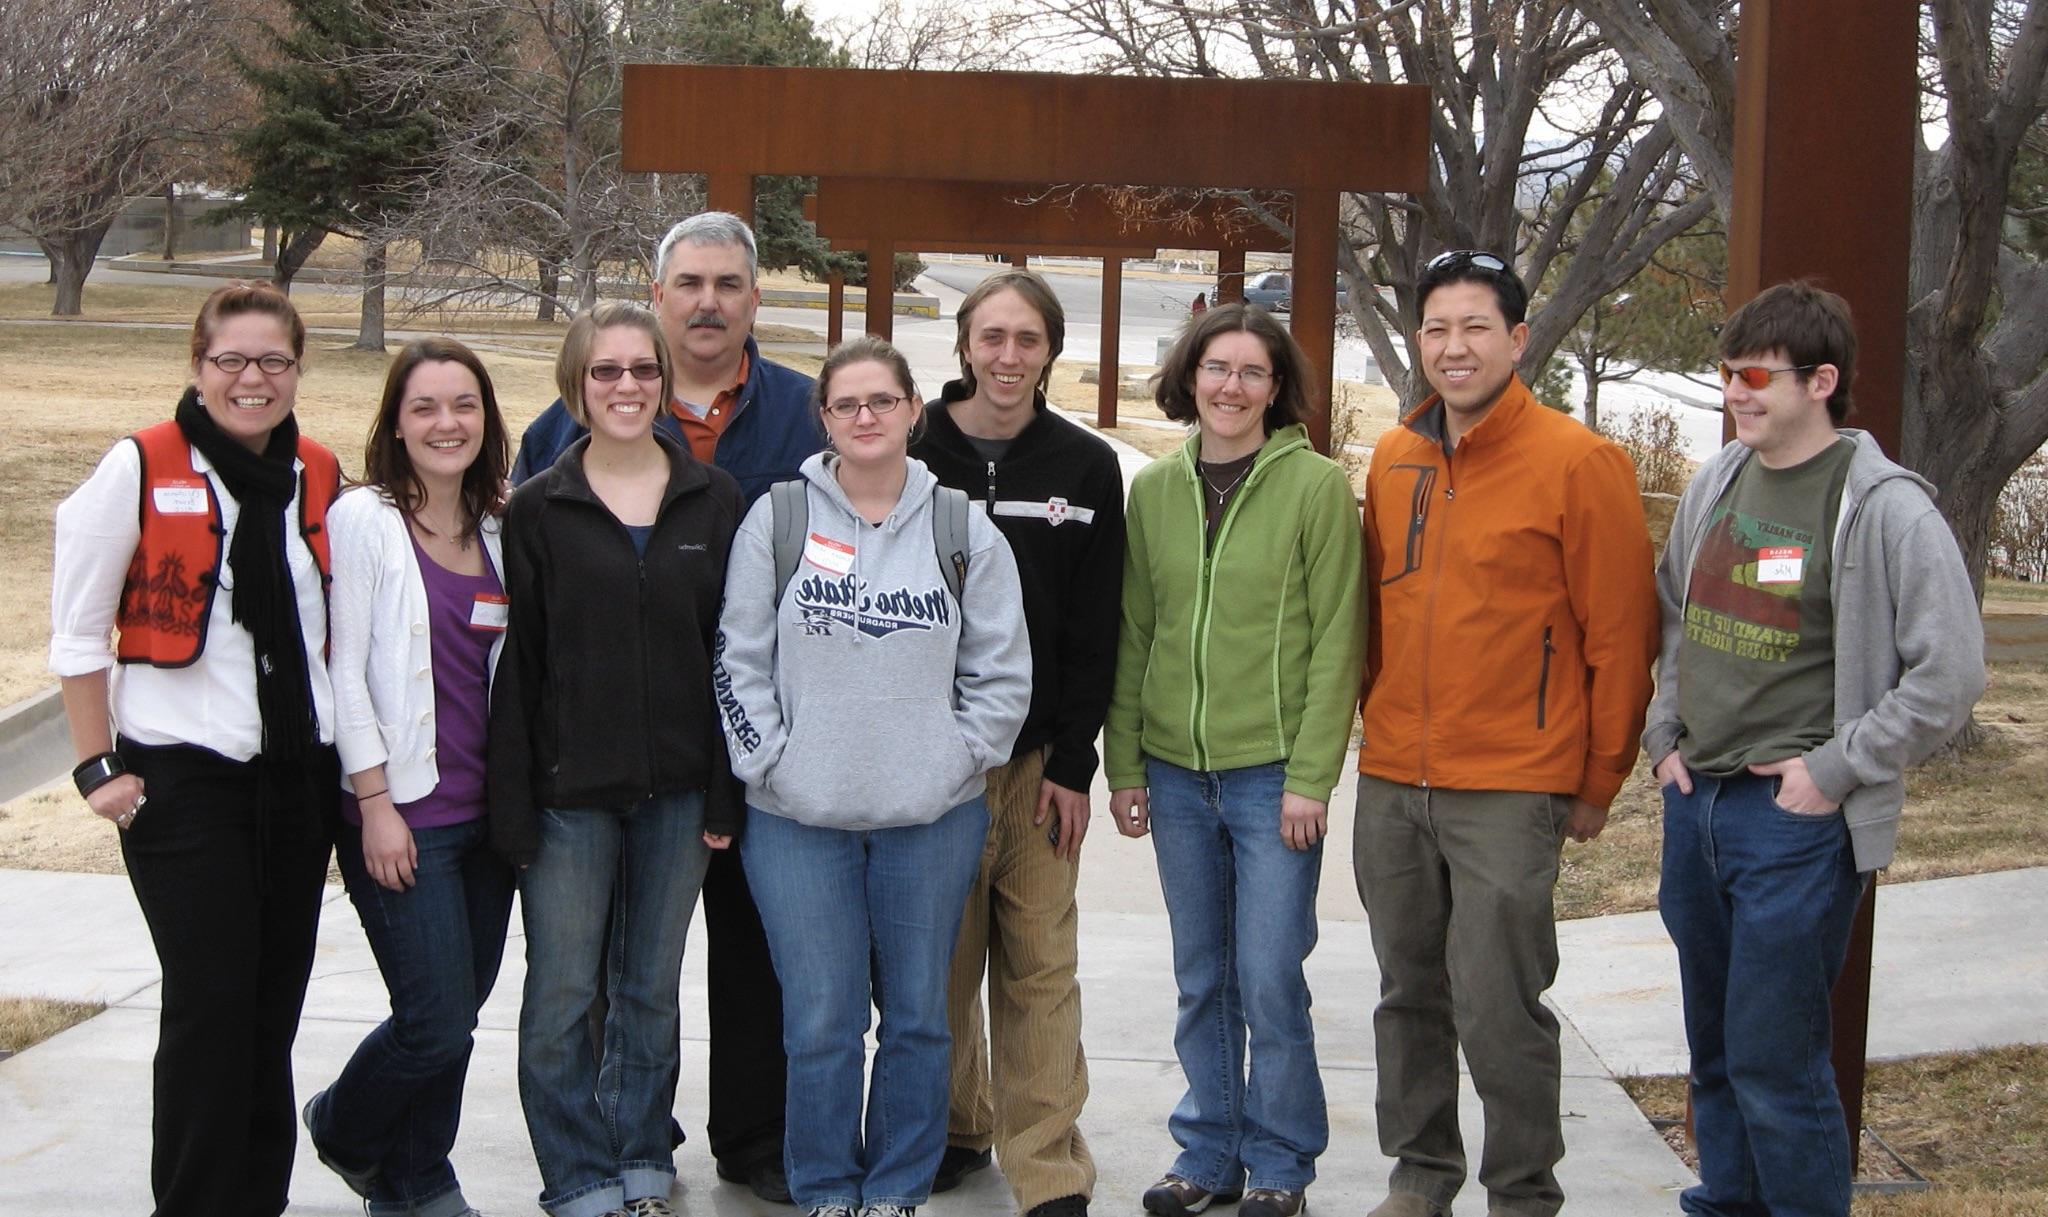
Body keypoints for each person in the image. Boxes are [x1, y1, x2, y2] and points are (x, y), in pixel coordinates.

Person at [1645, 282, 1984, 1217]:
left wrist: (1832, 770)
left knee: (1776, 1061)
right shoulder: (1718, 482)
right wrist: (1662, 734)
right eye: (1726, 374)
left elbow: (1950, 671)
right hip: (1697, 803)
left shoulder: (1885, 508)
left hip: (1793, 824)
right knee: (1713, 1048)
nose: (1735, 394)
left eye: (1755, 375)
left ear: (1821, 381)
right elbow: (1678, 612)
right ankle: (1728, 1200)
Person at [512, 211, 816, 1201]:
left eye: (728, 284)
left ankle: (722, 1139)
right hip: (580, 770)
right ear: (656, 296)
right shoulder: (550, 453)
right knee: (576, 979)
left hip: (727, 762)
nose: (708, 300)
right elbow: (520, 642)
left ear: (754, 298)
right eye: (688, 282)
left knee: (721, 962)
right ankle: (587, 1157)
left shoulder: (794, 423)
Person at [1354, 250, 1660, 1217]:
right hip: (1397, 776)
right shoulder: (1395, 457)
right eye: (1437, 328)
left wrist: (1599, 778)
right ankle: (1420, 1176)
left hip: (1513, 784)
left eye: (1476, 327)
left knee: (1499, 1003)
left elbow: (1622, 636)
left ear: (1517, 340)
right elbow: (1374, 617)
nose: (1455, 347)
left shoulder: (1582, 463)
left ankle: (1523, 1190)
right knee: (1408, 996)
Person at [713, 335, 1033, 1217]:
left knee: (920, 1021)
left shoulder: (960, 527)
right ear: (824, 418)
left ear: (911, 413)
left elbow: (1001, 669)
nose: (865, 417)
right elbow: (738, 657)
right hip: (795, 819)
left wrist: (954, 758)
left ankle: (896, 1185)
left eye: (881, 402)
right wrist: (769, 759)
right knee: (819, 1024)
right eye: (846, 404)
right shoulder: (777, 519)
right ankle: (823, 1185)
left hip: (930, 820)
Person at [49, 280, 340, 1217]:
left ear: (297, 369)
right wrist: (99, 767)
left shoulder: (319, 476)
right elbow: (77, 634)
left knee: (269, 1015)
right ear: (197, 364)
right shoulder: (139, 465)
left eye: (273, 361)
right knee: (210, 1009)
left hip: (295, 784)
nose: (252, 379)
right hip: (184, 786)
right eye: (232, 360)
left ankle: (257, 1199)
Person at [1105, 302, 1364, 1217]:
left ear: (1278, 388)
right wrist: (1124, 764)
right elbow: (1135, 629)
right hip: (1174, 775)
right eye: (1218, 367)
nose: (1232, 386)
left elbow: (1339, 640)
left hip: (1269, 779)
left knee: (1267, 974)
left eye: (1254, 372)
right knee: (1201, 973)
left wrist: (1311, 780)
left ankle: (1282, 1162)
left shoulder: (1317, 488)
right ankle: (1207, 1153)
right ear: (1191, 375)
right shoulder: (1155, 491)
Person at [488, 301, 743, 1217]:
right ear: (577, 386)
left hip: (679, 793)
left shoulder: (712, 499)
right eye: (607, 372)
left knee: (650, 988)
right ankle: (576, 1170)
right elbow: (520, 666)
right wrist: (511, 802)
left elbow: (732, 655)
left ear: (664, 382)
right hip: (568, 795)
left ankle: (641, 1152)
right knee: (561, 993)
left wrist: (724, 787)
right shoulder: (538, 507)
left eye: (643, 369)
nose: (627, 386)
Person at [909, 269, 1124, 1217]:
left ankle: (1046, 1162)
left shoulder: (1082, 466)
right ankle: (959, 1126)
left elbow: (1095, 626)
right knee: (942, 965)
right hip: (935, 763)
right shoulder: (911, 447)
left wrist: (1075, 762)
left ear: (1050, 350)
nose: (1007, 357)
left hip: (1038, 764)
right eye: (990, 337)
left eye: (1026, 340)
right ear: (963, 344)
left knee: (1039, 963)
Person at [302, 337, 518, 1217]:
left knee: (459, 1016)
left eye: (463, 404)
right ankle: (344, 1129)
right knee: (432, 1017)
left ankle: (417, 1173)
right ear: (396, 420)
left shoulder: (500, 523)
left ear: (486, 419)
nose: (446, 422)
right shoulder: (368, 521)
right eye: (425, 406)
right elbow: (342, 668)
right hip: (408, 816)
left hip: (490, 818)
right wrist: (375, 801)